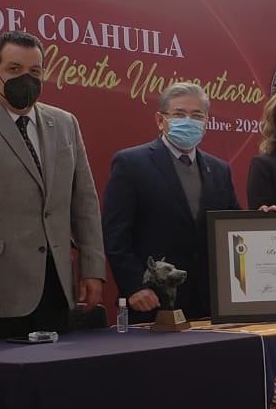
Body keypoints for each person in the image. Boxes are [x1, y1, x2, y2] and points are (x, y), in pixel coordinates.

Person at [0, 31, 106, 339]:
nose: (26, 78)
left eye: (34, 71)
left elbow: (85, 203)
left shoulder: (65, 123)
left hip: (56, 292)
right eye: (14, 69)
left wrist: (93, 269)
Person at [102, 82, 241, 320]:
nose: (188, 121)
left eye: (197, 115)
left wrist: (264, 221)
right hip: (153, 302)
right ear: (160, 120)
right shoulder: (131, 163)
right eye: (179, 114)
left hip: (210, 304)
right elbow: (115, 234)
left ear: (206, 122)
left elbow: (233, 228)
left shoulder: (219, 170)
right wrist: (135, 285)